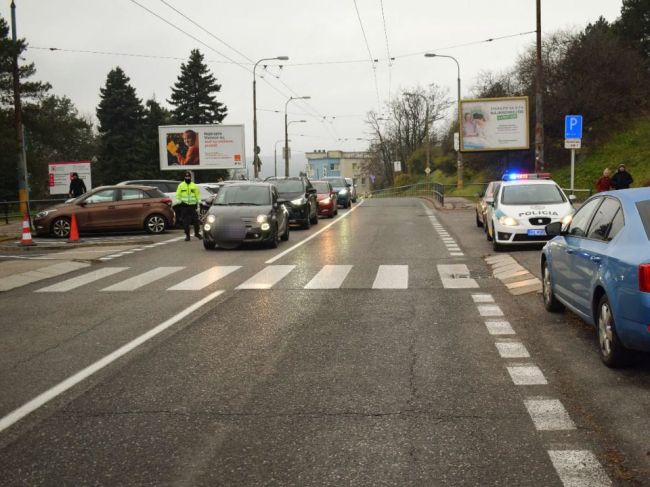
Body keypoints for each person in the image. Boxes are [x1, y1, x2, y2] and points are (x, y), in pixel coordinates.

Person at [175, 171, 202, 241]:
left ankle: (197, 233)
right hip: (184, 206)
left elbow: (198, 195)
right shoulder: (181, 185)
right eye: (186, 176)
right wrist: (180, 201)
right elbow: (177, 195)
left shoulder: (194, 185)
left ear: (190, 177)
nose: (187, 177)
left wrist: (199, 203)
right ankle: (187, 236)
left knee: (196, 221)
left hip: (193, 206)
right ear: (184, 177)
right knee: (186, 222)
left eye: (189, 176)